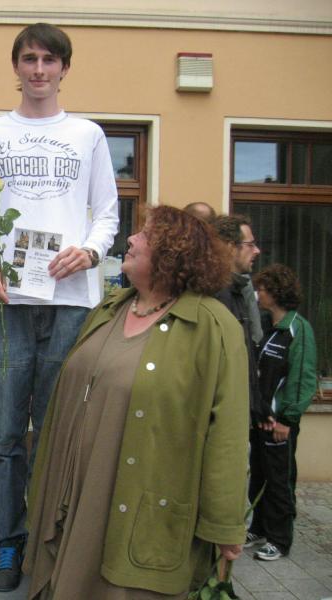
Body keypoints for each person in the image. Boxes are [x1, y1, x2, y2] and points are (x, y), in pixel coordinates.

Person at [0, 22, 119, 592]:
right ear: (16, 67)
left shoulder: (87, 135)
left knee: (56, 431)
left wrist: (91, 251)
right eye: (29, 59)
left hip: (71, 300)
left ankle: (50, 541)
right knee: (5, 434)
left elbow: (108, 212)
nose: (38, 70)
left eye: (49, 60)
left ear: (64, 69)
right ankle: (8, 541)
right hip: (5, 303)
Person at [24, 205, 249, 599]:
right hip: (75, 495)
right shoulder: (111, 308)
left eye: (145, 235)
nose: (130, 238)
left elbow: (228, 435)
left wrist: (224, 525)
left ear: (172, 253)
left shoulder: (213, 326)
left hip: (137, 500)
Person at [246, 264, 317, 561]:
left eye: (261, 289)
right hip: (261, 420)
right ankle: (259, 528)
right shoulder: (265, 327)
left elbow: (303, 379)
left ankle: (280, 538)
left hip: (280, 423)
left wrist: (287, 419)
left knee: (279, 480)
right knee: (259, 476)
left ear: (276, 293)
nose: (257, 294)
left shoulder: (297, 329)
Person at [214, 214, 269, 424]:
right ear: (230, 247)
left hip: (239, 415)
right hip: (225, 419)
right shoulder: (217, 296)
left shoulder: (236, 291)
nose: (257, 251)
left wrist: (258, 406)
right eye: (250, 245)